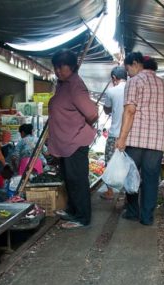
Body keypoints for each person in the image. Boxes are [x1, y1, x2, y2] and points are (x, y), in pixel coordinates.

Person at [116, 51, 164, 226]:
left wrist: (122, 138)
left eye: (128, 69)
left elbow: (130, 110)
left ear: (136, 64)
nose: (128, 73)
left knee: (131, 175)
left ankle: (132, 212)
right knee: (151, 179)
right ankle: (147, 217)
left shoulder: (134, 81)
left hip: (136, 139)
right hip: (156, 141)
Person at [47, 49, 98, 229]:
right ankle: (73, 211)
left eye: (62, 67)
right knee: (70, 179)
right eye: (56, 67)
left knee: (78, 181)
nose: (58, 70)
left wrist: (78, 127)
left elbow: (92, 113)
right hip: (65, 143)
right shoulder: (63, 84)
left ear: (72, 67)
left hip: (75, 142)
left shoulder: (75, 85)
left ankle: (82, 218)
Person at [100, 65, 127, 201]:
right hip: (130, 135)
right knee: (127, 164)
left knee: (109, 162)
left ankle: (110, 191)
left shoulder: (111, 92)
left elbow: (107, 110)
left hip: (115, 134)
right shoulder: (133, 90)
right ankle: (124, 195)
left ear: (114, 78)